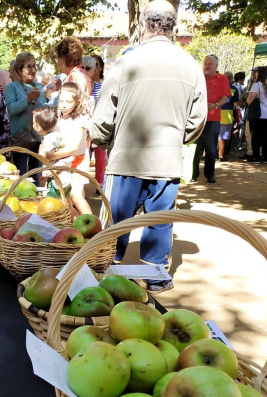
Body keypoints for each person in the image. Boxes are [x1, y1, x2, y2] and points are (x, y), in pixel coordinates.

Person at [89, 0, 207, 294]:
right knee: (160, 221)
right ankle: (155, 275)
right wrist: (174, 138)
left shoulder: (126, 63)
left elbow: (102, 119)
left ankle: (105, 273)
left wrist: (105, 139)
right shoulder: (191, 66)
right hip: (167, 161)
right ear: (173, 28)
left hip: (126, 160)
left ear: (142, 25)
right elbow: (196, 121)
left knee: (115, 224)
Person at [45, 82, 92, 216]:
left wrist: (50, 156)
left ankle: (96, 229)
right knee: (65, 199)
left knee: (76, 195)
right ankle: (78, 224)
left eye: (68, 101)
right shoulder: (57, 118)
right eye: (61, 101)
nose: (64, 105)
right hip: (62, 161)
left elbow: (74, 147)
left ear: (76, 102)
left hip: (78, 161)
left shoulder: (80, 120)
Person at [5, 52, 51, 173]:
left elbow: (47, 111)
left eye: (34, 66)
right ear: (19, 70)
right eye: (28, 67)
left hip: (38, 138)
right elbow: (12, 109)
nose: (32, 70)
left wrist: (51, 98)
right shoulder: (12, 87)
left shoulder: (41, 87)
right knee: (20, 174)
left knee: (35, 173)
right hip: (21, 138)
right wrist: (27, 99)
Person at [192, 55, 230, 183]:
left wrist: (216, 105)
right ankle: (193, 174)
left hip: (213, 118)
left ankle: (210, 174)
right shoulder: (198, 77)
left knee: (211, 148)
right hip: (197, 118)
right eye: (205, 63)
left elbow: (225, 97)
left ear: (216, 66)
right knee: (194, 147)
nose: (207, 66)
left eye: (210, 64)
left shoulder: (222, 78)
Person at [246, 66, 267, 163]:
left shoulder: (257, 85)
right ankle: (266, 156)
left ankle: (256, 157)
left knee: (255, 136)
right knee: (264, 135)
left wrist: (247, 102)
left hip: (258, 114)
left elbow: (250, 99)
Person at [54, 36, 93, 115]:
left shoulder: (76, 75)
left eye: (58, 58)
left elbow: (80, 102)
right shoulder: (76, 73)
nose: (57, 63)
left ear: (63, 58)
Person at [33, 106, 64, 184]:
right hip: (58, 172)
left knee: (53, 194)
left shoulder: (49, 140)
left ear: (39, 127)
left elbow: (45, 157)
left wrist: (41, 149)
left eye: (33, 122)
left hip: (56, 174)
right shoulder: (55, 134)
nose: (32, 124)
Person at [89, 54, 107, 186]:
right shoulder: (85, 84)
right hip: (86, 125)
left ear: (100, 68)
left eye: (96, 65)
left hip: (99, 125)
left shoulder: (105, 85)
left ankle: (100, 183)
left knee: (101, 157)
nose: (93, 69)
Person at [216, 71, 239, 162]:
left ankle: (205, 154)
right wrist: (240, 103)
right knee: (222, 136)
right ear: (231, 79)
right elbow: (235, 103)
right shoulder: (233, 89)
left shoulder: (217, 86)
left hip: (215, 112)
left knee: (212, 134)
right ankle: (221, 155)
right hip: (227, 114)